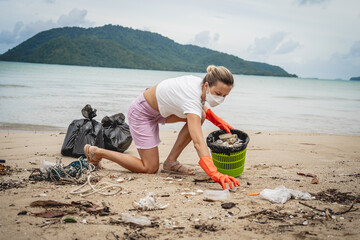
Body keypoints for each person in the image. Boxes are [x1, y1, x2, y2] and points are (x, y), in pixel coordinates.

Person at [84, 65, 240, 189]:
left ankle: (170, 162)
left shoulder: (199, 85)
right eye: (218, 93)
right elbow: (198, 141)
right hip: (141, 113)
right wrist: (213, 173)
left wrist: (218, 121)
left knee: (202, 115)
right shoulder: (192, 95)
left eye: (225, 96)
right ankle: (98, 152)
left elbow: (200, 105)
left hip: (161, 111)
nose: (220, 98)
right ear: (207, 85)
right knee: (149, 168)